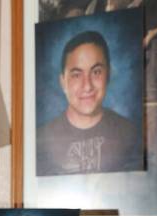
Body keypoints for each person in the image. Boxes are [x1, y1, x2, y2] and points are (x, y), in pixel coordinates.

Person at [37, 30, 141, 176]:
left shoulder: (131, 135)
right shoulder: (41, 140)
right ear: (63, 82)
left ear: (108, 75)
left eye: (96, 72)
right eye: (76, 75)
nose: (87, 86)